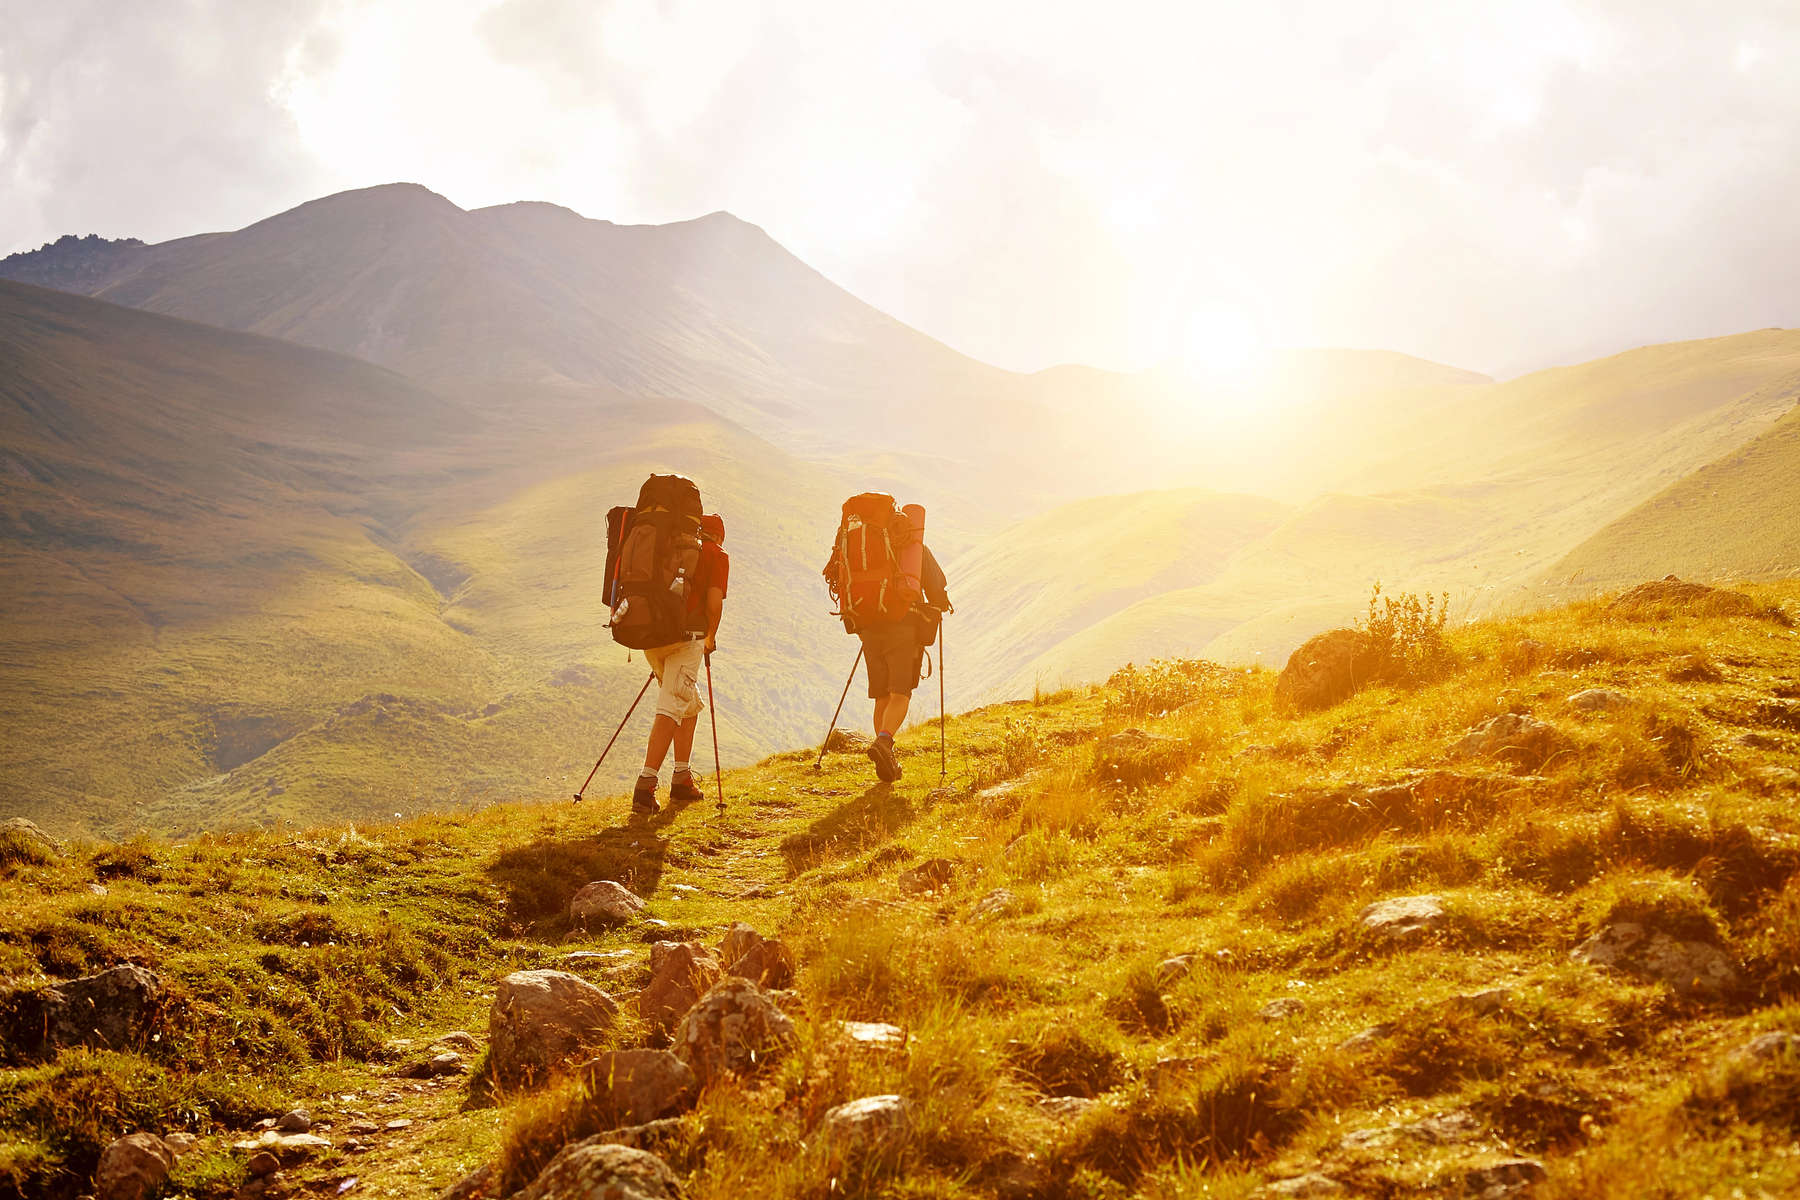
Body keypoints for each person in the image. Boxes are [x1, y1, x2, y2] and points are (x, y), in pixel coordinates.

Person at [824, 507, 949, 783]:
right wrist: (940, 604)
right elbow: (936, 585)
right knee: (900, 694)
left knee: (881, 694)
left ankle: (885, 757)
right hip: (902, 627)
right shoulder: (911, 546)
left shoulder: (858, 547)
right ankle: (884, 742)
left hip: (867, 626)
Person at [633, 513, 728, 814]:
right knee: (672, 707)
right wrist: (710, 638)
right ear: (720, 536)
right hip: (687, 637)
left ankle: (682, 778)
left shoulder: (671, 546)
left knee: (688, 704)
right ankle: (645, 787)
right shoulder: (716, 555)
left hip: (651, 636)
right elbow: (714, 603)